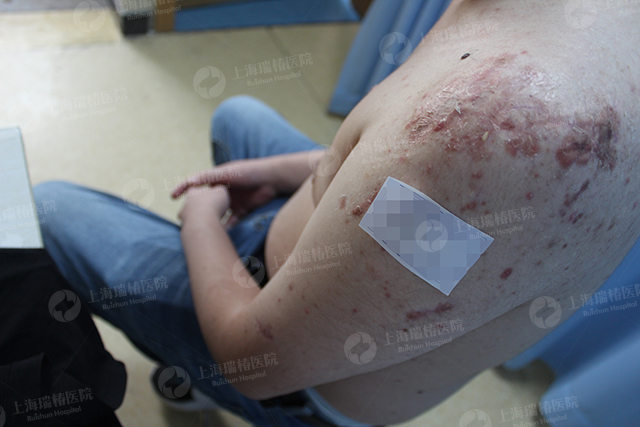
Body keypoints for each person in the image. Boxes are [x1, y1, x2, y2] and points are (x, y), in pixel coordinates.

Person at [33, 0, 640, 425]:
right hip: (340, 246)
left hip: (294, 379)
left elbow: (252, 363)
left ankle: (191, 366)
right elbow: (411, 210)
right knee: (238, 115)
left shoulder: (504, 129)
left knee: (47, 209)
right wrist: (307, 171)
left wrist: (199, 216)